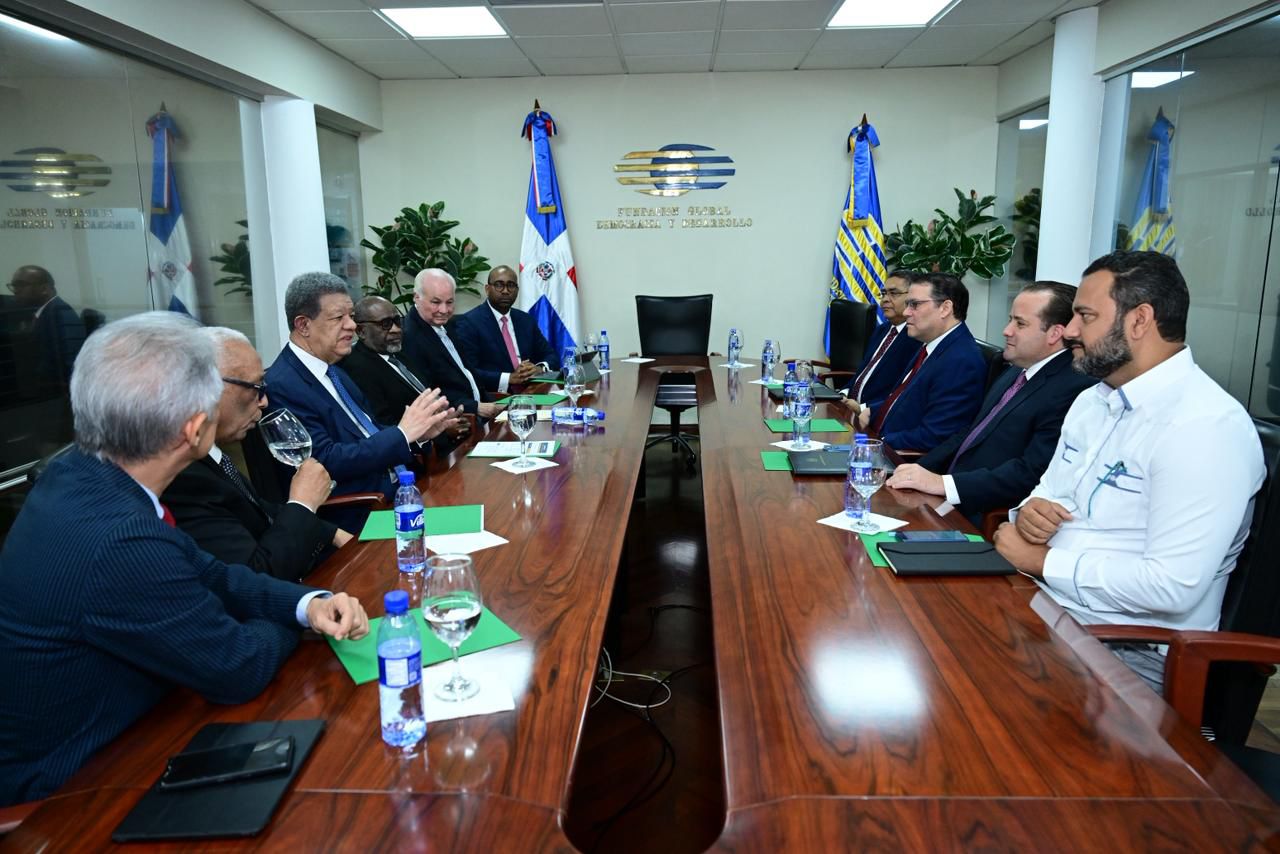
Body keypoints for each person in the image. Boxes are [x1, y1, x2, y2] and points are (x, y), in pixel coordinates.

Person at [0, 312, 369, 806]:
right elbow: (238, 666)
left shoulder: (77, 474)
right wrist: (295, 624)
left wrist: (308, 605)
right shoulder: (122, 542)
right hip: (78, 790)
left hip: (142, 724)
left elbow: (212, 574)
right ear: (195, 430)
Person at [993, 251, 1266, 694]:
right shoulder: (1092, 401)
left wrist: (1041, 560)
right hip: (1046, 606)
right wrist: (1028, 514)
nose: (1071, 331)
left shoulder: (1204, 426)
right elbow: (1046, 493)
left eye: (1085, 316)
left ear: (1139, 320)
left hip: (1127, 648)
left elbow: (1171, 587)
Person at [887, 281, 1095, 526]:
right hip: (942, 497)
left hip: (979, 515)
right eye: (1010, 320)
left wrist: (945, 484)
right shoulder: (1015, 369)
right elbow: (971, 431)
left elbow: (1031, 473)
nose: (1006, 330)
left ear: (1055, 333)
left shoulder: (1073, 387)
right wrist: (918, 471)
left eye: (1020, 323)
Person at [163, 327, 351, 582]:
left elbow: (258, 509)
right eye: (256, 387)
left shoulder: (211, 452)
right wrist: (303, 504)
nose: (264, 401)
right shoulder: (182, 475)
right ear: (209, 388)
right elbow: (255, 577)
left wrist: (329, 532)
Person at [263, 272, 455, 518]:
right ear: (303, 325)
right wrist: (402, 433)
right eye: (338, 318)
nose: (352, 326)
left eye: (351, 316)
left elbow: (368, 430)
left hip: (399, 491)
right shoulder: (282, 385)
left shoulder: (334, 371)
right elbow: (324, 462)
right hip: (361, 510)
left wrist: (418, 435)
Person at [855, 272, 987, 453]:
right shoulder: (930, 344)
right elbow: (908, 400)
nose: (906, 312)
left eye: (914, 304)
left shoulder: (962, 360)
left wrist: (878, 442)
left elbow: (936, 435)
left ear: (945, 308)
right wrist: (873, 410)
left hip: (902, 460)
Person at [340, 296, 471, 446]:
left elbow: (428, 392)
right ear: (361, 331)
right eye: (385, 324)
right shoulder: (358, 368)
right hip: (421, 452)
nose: (396, 329)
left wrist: (447, 418)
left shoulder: (399, 352)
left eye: (397, 321)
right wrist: (441, 432)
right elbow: (384, 427)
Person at [400, 268, 502, 420]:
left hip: (483, 411)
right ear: (416, 297)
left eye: (449, 302)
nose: (444, 310)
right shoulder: (409, 336)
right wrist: (475, 407)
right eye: (436, 302)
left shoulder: (447, 323)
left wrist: (489, 403)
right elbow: (426, 393)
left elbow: (466, 373)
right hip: (458, 421)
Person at [454, 265, 558, 393]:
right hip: (495, 396)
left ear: (517, 290)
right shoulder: (469, 322)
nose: (505, 291)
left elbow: (551, 355)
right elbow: (468, 371)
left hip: (531, 390)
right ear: (487, 289)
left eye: (511, 285)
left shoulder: (526, 320)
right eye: (499, 285)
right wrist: (509, 378)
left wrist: (539, 368)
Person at [840, 270, 922, 409]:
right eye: (883, 293)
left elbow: (903, 392)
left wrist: (863, 408)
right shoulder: (882, 330)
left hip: (875, 415)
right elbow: (863, 372)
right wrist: (843, 393)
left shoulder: (917, 339)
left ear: (913, 298)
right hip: (849, 407)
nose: (884, 299)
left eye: (894, 293)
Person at [7, 264, 86, 392]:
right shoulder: (46, 312)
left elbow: (72, 363)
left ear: (44, 289)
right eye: (14, 286)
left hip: (57, 394)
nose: (15, 290)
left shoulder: (60, 313)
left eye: (21, 285)